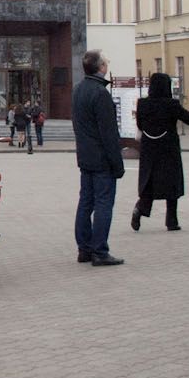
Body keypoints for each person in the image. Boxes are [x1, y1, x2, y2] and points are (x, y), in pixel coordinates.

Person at [73, 50, 125, 266]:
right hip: (102, 159)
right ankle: (100, 251)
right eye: (106, 62)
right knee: (103, 203)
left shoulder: (78, 90)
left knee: (85, 202)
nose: (107, 65)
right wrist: (117, 163)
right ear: (100, 67)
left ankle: (84, 249)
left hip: (85, 156)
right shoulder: (101, 94)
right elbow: (109, 133)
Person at [133, 72, 189, 232]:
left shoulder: (142, 104)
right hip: (168, 148)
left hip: (149, 148)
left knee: (149, 181)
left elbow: (140, 125)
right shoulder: (171, 104)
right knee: (171, 182)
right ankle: (171, 220)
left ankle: (140, 209)